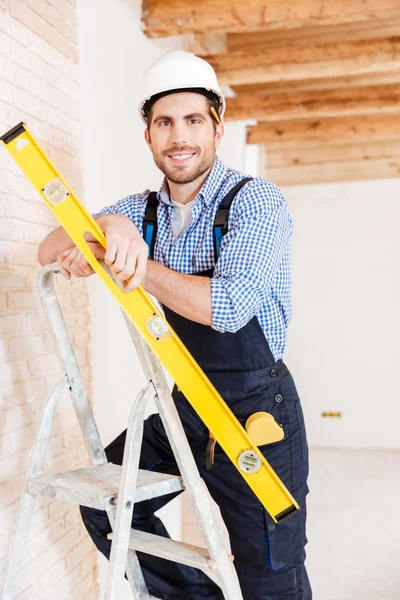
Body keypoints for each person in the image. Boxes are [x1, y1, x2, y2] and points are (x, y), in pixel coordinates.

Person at [37, 50, 311, 600]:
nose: (178, 136)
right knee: (108, 506)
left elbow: (227, 308)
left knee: (268, 571)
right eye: (164, 123)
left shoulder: (254, 200)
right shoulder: (140, 210)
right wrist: (113, 226)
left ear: (217, 128)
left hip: (254, 410)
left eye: (192, 121)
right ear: (149, 137)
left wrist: (134, 263)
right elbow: (48, 247)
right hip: (183, 402)